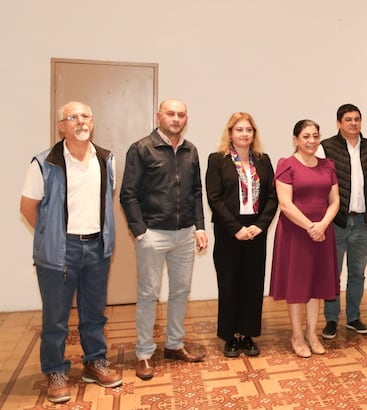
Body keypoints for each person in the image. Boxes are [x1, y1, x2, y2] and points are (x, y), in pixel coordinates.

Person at [20, 101, 123, 403]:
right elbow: (28, 208)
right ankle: (55, 370)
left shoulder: (106, 159)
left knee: (94, 313)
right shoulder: (43, 163)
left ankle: (95, 362)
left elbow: (108, 196)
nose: (80, 121)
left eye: (85, 116)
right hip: (59, 251)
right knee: (56, 318)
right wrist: (51, 235)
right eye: (72, 117)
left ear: (93, 122)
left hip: (97, 247)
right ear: (61, 126)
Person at [120, 98, 208, 381]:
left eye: (181, 114)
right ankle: (144, 353)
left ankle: (174, 345)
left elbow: (196, 192)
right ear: (159, 116)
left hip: (184, 234)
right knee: (148, 295)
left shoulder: (190, 150)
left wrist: (200, 226)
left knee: (181, 292)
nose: (176, 118)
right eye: (170, 113)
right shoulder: (141, 148)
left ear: (186, 118)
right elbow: (128, 194)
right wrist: (140, 231)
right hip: (153, 234)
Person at [205, 112, 278, 357]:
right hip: (229, 231)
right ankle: (230, 336)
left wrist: (261, 225)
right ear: (230, 133)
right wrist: (235, 228)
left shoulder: (263, 160)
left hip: (256, 229)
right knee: (229, 284)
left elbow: (272, 196)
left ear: (253, 134)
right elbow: (214, 198)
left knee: (252, 284)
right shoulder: (217, 160)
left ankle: (247, 335)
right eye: (239, 130)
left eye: (248, 130)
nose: (244, 134)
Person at [269, 119, 340, 358]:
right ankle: (297, 336)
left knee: (316, 285)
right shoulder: (286, 165)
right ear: (296, 139)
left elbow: (335, 201)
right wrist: (311, 226)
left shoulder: (327, 165)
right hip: (295, 233)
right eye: (306, 136)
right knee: (297, 285)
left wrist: (322, 225)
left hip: (322, 232)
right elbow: (285, 204)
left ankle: (312, 333)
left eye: (315, 136)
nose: (311, 141)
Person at [318, 104, 367, 339]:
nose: (353, 123)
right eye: (348, 120)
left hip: (362, 221)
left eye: (357, 119)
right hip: (337, 221)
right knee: (332, 273)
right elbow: (320, 183)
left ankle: (353, 317)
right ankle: (332, 319)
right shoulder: (326, 147)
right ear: (338, 123)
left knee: (357, 273)